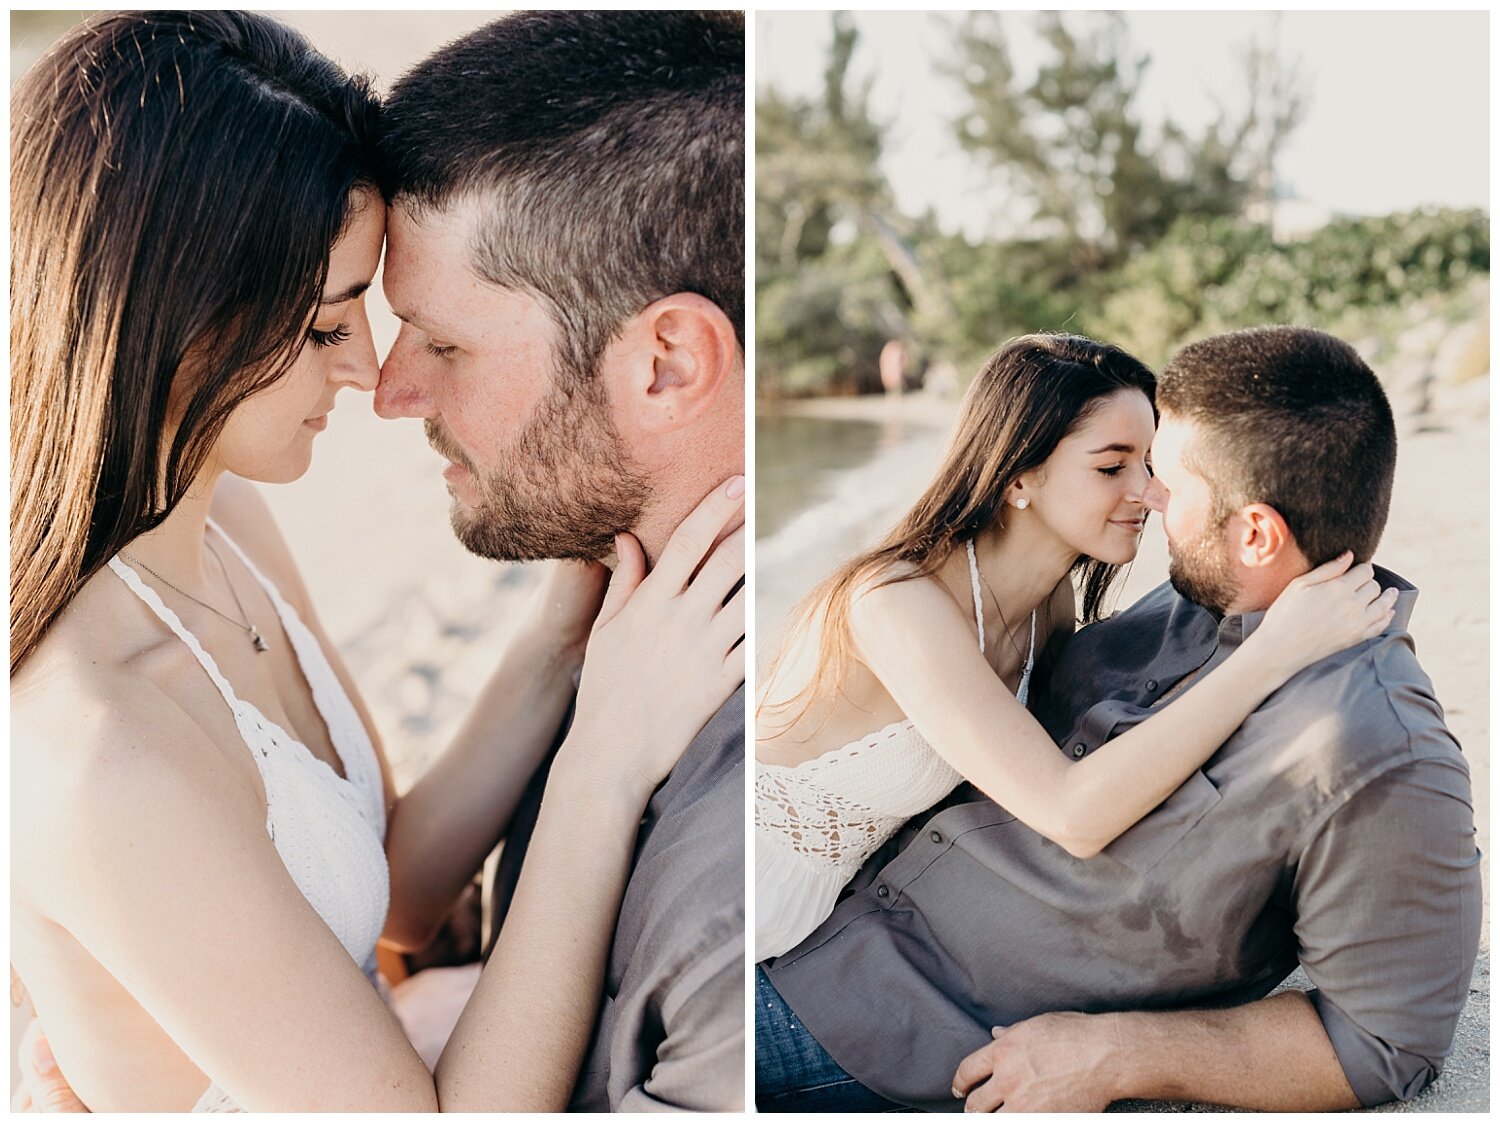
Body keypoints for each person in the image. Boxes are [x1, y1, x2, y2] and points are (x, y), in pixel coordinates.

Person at [9, 10, 743, 1113]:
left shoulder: (222, 516)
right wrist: (606, 755)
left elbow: (387, 889)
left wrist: (558, 642)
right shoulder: (102, 746)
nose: (368, 376)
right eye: (323, 328)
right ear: (171, 324)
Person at [756, 325, 1481, 1112]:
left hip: (873, 1016)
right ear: (1019, 476)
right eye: (1123, 466)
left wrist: (1122, 1052)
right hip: (783, 912)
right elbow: (1054, 788)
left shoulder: (1374, 745)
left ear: (1257, 532)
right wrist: (1266, 654)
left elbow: (1384, 1045)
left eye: (1164, 472)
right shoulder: (1169, 601)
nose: (1150, 493)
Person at [369, 10, 748, 1111]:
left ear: (667, 363)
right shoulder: (604, 603)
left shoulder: (732, 875)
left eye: (442, 342)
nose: (391, 393)